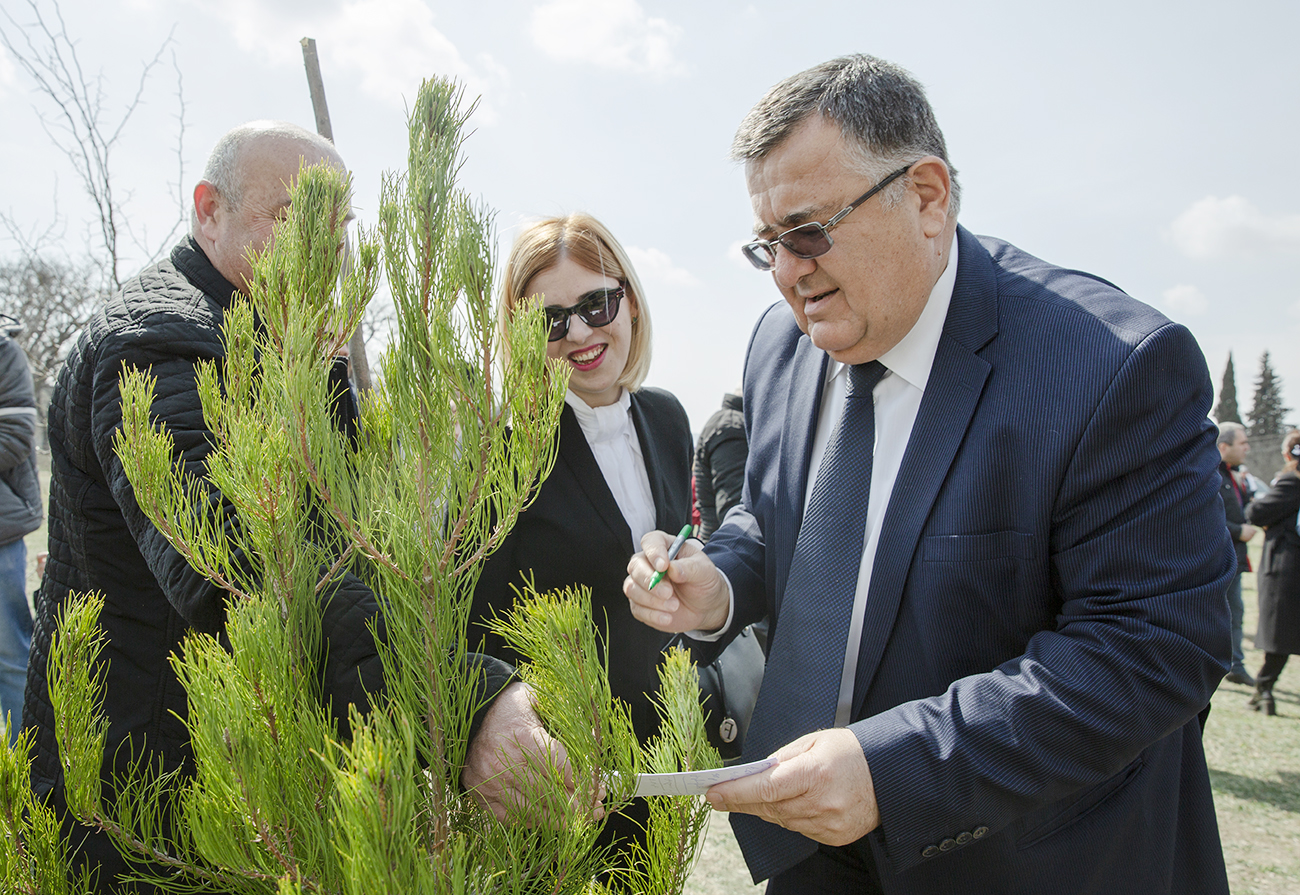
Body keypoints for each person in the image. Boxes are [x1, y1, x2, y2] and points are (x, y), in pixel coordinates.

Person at [624, 55, 1234, 894]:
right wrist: (721, 581)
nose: (789, 273)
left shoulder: (1111, 365)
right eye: (767, 246)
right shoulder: (779, 345)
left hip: (1023, 862)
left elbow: (1154, 643)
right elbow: (776, 516)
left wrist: (894, 770)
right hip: (812, 862)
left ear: (927, 197)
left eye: (808, 232)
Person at [23, 121, 572, 891]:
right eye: (292, 216)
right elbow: (247, 567)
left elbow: (345, 536)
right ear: (209, 210)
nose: (328, 248)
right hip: (139, 801)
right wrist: (467, 700)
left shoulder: (281, 342)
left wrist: (327, 386)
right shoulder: (157, 341)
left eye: (339, 225)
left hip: (248, 781)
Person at [471, 212, 693, 857]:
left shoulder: (667, 418)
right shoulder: (503, 453)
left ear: (630, 300)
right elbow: (475, 628)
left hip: (665, 761)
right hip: (562, 782)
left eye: (596, 304)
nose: (578, 333)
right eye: (550, 320)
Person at [0, 316, 41, 744]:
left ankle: (28, 765)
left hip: (0, 536)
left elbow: (13, 436)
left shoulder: (4, 352)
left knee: (10, 655)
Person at [1245, 430, 1300, 715]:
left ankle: (1264, 688)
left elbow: (1258, 513)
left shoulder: (1292, 482)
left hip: (1287, 566)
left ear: (1288, 453)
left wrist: (1253, 499)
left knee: (1281, 631)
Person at [1217, 421, 1259, 685]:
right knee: (1227, 614)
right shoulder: (1211, 476)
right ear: (1224, 446)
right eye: (1242, 443)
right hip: (1220, 560)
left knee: (1236, 613)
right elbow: (1207, 517)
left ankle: (1235, 665)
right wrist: (1237, 530)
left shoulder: (1234, 476)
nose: (1247, 448)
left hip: (1235, 558)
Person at [694, 388, 747, 542]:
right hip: (725, 543)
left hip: (719, 541)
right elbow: (732, 506)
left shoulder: (729, 422)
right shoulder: (732, 427)